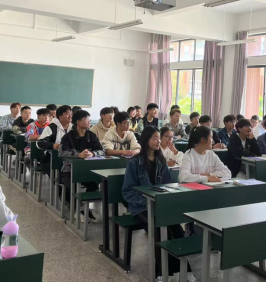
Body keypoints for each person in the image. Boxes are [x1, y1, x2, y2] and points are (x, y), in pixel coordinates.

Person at [122, 127, 196, 282]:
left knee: (177, 230)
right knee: (160, 231)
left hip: (160, 206)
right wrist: (149, 201)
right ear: (146, 140)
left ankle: (184, 270)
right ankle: (161, 273)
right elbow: (128, 191)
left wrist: (165, 201)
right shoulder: (134, 163)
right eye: (155, 138)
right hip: (141, 208)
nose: (158, 141)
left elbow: (168, 185)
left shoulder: (161, 162)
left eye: (158, 138)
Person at [59, 110, 105, 223]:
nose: (89, 121)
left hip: (87, 169)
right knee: (70, 184)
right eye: (87, 119)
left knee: (94, 183)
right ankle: (75, 209)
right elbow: (62, 153)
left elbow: (101, 150)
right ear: (78, 122)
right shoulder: (68, 137)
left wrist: (93, 153)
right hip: (69, 170)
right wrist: (78, 155)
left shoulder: (91, 135)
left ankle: (85, 207)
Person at [38, 105, 73, 174]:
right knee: (63, 174)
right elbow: (40, 142)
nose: (70, 116)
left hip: (70, 157)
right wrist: (53, 145)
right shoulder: (52, 127)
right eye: (67, 114)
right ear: (60, 116)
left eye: (71, 114)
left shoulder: (73, 128)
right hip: (52, 158)